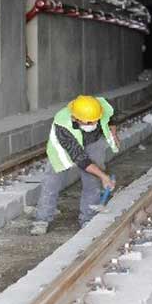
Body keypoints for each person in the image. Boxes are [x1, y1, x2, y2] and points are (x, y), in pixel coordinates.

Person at [30, 95, 120, 235]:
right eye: (88, 123)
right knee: (52, 180)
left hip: (93, 141)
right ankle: (42, 219)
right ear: (75, 118)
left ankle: (88, 218)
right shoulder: (63, 124)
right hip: (65, 146)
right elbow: (81, 159)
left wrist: (113, 132)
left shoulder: (99, 107)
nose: (92, 125)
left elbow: (110, 117)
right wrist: (104, 176)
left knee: (92, 179)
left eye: (94, 122)